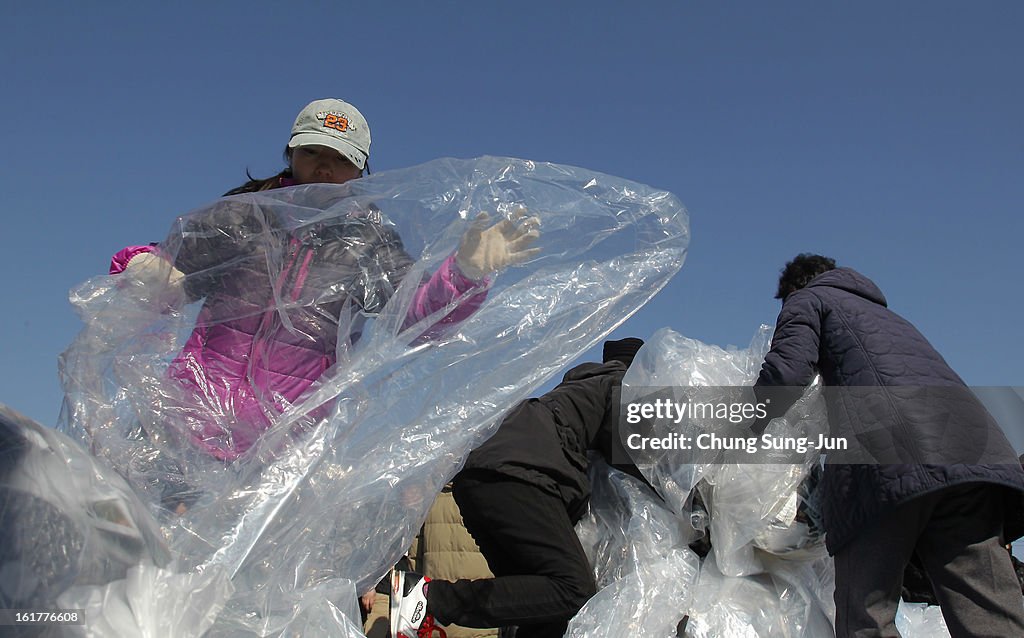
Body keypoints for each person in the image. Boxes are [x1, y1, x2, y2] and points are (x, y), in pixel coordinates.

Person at [110, 97, 540, 463]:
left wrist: (464, 275)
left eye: (341, 159)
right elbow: (177, 274)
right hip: (188, 414)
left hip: (283, 441)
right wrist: (146, 269)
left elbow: (413, 316)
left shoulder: (369, 240)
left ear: (360, 170)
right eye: (314, 152)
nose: (324, 168)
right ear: (291, 153)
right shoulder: (244, 214)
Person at [752, 253, 1024, 637]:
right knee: (989, 613)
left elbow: (786, 373)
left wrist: (743, 428)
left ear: (795, 288)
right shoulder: (890, 319)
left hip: (888, 455)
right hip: (973, 457)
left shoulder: (809, 299)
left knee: (866, 614)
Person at [387, 337, 646, 638]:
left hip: (479, 479)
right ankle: (428, 597)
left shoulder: (575, 391)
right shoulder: (618, 384)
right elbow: (634, 458)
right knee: (573, 588)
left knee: (540, 609)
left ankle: (428, 600)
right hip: (519, 476)